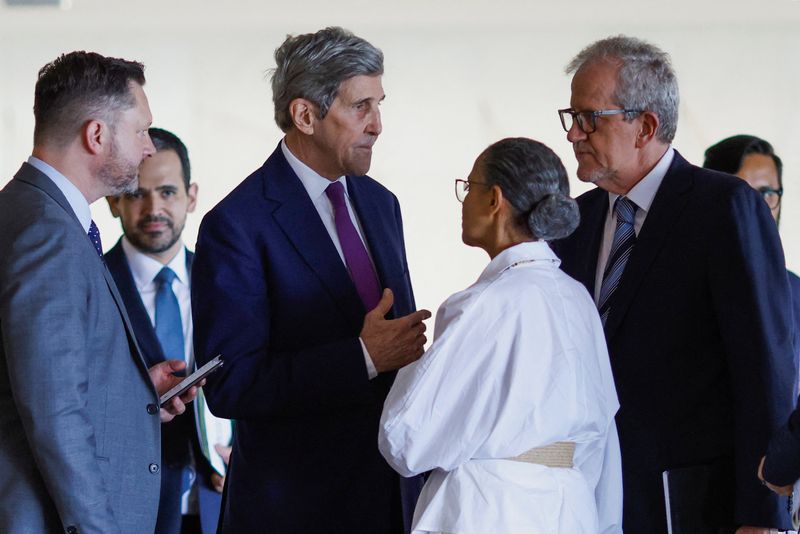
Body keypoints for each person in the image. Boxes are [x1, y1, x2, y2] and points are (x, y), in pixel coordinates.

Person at [550, 36, 795, 533]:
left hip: (691, 503)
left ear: (645, 126)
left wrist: (762, 512)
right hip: (583, 500)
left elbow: (764, 368)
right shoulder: (573, 220)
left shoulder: (723, 207)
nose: (574, 134)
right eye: (570, 117)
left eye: (589, 118)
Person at [191, 27, 431, 533]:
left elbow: (398, 345)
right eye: (361, 107)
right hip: (296, 510)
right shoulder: (236, 225)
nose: (378, 125)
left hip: (393, 500)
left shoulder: (381, 203)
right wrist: (362, 358)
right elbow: (231, 385)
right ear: (305, 115)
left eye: (379, 104)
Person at [379, 137, 623, 534]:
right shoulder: (577, 298)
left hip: (489, 512)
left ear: (494, 199)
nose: (463, 201)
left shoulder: (483, 304)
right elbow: (601, 438)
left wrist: (407, 362)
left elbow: (405, 441)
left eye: (468, 187)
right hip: (573, 510)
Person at [0, 51, 198, 534]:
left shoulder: (25, 210)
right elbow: (54, 413)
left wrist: (134, 391)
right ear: (96, 135)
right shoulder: (47, 232)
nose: (149, 147)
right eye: (141, 130)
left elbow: (36, 376)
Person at [105, 127, 233, 534]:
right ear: (112, 201)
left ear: (191, 196)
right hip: (125, 511)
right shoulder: (89, 284)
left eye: (167, 192)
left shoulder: (228, 283)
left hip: (221, 506)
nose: (153, 207)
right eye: (136, 193)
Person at [703, 135, 800, 377]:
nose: (759, 206)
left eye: (768, 193)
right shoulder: (680, 283)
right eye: (743, 192)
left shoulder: (794, 291)